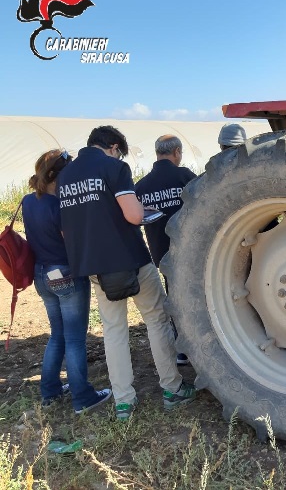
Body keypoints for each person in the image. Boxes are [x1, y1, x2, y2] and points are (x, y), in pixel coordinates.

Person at [56, 126, 196, 421]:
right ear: (114, 147)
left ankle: (123, 401)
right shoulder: (114, 167)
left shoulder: (66, 175)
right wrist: (140, 210)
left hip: (94, 267)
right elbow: (133, 215)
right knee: (156, 319)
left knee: (113, 330)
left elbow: (65, 225)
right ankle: (172, 388)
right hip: (130, 259)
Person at [22, 150, 112, 414]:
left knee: (58, 335)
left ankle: (50, 391)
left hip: (42, 274)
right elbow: (71, 242)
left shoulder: (28, 201)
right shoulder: (60, 207)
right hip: (66, 275)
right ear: (57, 176)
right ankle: (82, 396)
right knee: (75, 338)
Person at [135, 135, 196, 365]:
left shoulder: (141, 186)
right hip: (188, 251)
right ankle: (192, 346)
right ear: (177, 152)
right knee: (194, 297)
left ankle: (181, 347)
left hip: (161, 253)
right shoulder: (185, 177)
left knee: (174, 296)